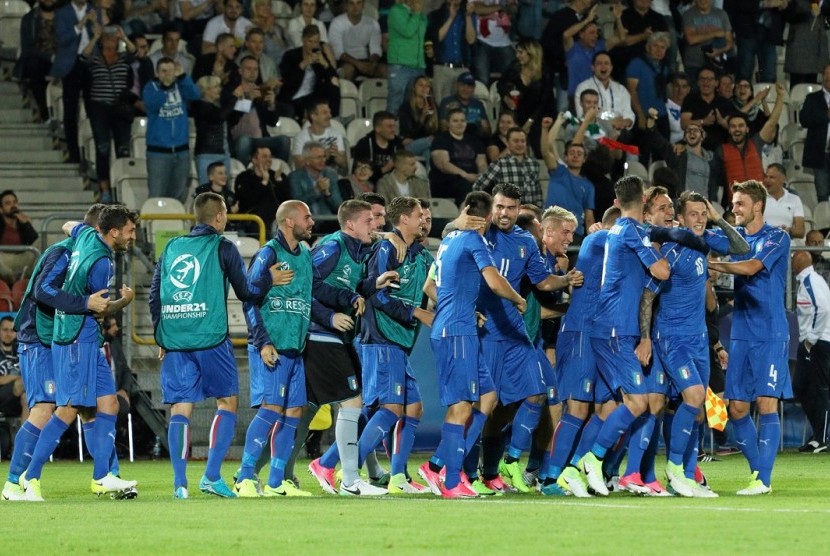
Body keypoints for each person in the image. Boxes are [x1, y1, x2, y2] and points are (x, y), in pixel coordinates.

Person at [150, 192, 288, 499]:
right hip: (210, 337)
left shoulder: (171, 247)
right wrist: (268, 278)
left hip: (176, 339)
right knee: (227, 403)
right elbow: (246, 290)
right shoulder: (222, 247)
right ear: (219, 216)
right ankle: (211, 476)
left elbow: (154, 294)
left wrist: (163, 335)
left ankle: (179, 484)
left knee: (180, 409)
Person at [20, 206, 139, 502]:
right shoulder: (101, 262)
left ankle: (103, 477)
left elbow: (69, 224)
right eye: (130, 231)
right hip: (76, 337)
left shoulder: (87, 235)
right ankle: (30, 477)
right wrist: (122, 303)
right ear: (113, 232)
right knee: (70, 407)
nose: (133, 236)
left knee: (108, 404)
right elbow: (96, 308)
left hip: (87, 338)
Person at [417, 191, 527, 498]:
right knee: (462, 406)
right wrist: (517, 298)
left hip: (456, 325)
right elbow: (494, 281)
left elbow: (430, 286)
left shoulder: (449, 241)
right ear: (487, 217)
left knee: (488, 397)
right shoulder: (474, 240)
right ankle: (452, 481)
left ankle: (437, 464)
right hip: (457, 332)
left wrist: (461, 306)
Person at [1, 204, 110, 502]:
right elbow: (42, 292)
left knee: (85, 405)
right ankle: (13, 483)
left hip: (56, 339)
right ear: (94, 232)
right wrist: (85, 303)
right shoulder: (63, 253)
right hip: (36, 337)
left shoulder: (80, 254)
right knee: (44, 409)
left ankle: (105, 475)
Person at [577, 175, 671, 497]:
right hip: (616, 329)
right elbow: (662, 272)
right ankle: (593, 458)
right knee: (638, 402)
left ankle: (571, 469)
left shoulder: (617, 229)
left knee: (605, 410)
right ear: (644, 200)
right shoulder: (630, 230)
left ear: (617, 201)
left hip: (610, 327)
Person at [306, 200, 399, 496]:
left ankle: (346, 476)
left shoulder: (358, 250)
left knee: (343, 405)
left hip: (339, 336)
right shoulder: (333, 247)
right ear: (350, 225)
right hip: (321, 333)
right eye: (369, 221)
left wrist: (374, 284)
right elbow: (307, 283)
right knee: (352, 402)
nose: (376, 225)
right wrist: (332, 313)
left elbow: (353, 288)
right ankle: (348, 480)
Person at [709, 179, 793, 495]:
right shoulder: (736, 237)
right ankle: (759, 473)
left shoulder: (777, 237)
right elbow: (702, 235)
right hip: (742, 333)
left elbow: (752, 266)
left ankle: (763, 480)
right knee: (737, 409)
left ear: (757, 206)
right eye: (733, 204)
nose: (734, 209)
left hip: (770, 333)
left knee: (766, 403)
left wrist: (715, 264)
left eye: (740, 203)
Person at [234, 200, 318, 497]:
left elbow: (309, 299)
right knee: (271, 409)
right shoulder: (268, 253)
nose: (311, 222)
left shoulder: (305, 258)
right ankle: (244, 477)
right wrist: (263, 341)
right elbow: (249, 298)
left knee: (294, 411)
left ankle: (276, 481)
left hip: (296, 348)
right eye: (306, 217)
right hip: (272, 347)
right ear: (288, 222)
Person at [356, 196, 435, 494]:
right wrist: (417, 312)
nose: (425, 221)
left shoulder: (421, 255)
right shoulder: (388, 247)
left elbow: (435, 288)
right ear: (404, 219)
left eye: (428, 217)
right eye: (420, 216)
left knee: (412, 409)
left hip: (401, 341)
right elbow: (378, 295)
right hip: (382, 336)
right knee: (388, 408)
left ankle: (398, 477)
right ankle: (340, 468)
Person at [81, 25, 137, 204]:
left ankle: (120, 188)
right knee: (102, 148)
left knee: (123, 149)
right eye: (107, 39)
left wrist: (124, 37)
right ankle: (104, 189)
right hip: (100, 108)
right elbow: (84, 55)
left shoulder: (123, 59)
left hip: (119, 108)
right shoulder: (96, 59)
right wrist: (95, 37)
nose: (111, 42)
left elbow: (134, 52)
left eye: (114, 39)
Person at [143, 57, 201, 203]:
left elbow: (195, 95)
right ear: (157, 73)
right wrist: (166, 88)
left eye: (171, 70)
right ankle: (154, 225)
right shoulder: (150, 87)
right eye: (163, 71)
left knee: (178, 195)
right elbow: (153, 104)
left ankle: (173, 225)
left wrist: (182, 76)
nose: (167, 74)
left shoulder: (181, 85)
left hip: (181, 152)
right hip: (158, 153)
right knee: (157, 195)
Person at [715, 87, 786, 208]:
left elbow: (772, 121)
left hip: (760, 205)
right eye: (733, 126)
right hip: (736, 208)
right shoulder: (721, 150)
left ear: (747, 129)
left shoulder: (756, 143)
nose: (737, 129)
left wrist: (780, 97)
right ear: (729, 130)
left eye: (741, 126)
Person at [51, 0, 99, 164]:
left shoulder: (95, 10)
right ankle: (73, 154)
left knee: (94, 109)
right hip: (71, 65)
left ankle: (95, 154)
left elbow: (100, 36)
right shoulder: (62, 13)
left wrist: (96, 27)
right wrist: (82, 23)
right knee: (71, 111)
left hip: (90, 63)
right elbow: (62, 39)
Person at [792, 249, 830, 454]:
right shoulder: (811, 280)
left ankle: (822, 438)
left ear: (799, 262)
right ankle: (818, 435)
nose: (791, 263)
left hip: (818, 342)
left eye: (792, 260)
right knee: (800, 387)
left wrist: (811, 340)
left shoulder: (811, 282)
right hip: (810, 342)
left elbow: (823, 309)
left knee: (820, 389)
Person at [225, 55, 291, 165]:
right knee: (244, 141)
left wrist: (272, 105)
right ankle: (245, 174)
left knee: (284, 140)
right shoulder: (231, 91)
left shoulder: (261, 91)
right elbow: (231, 118)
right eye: (248, 68)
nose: (253, 72)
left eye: (255, 69)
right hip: (238, 139)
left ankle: (278, 174)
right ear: (240, 71)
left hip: (261, 139)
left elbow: (273, 122)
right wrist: (247, 99)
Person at [644, 108, 719, 201]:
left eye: (695, 130)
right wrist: (651, 120)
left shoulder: (711, 159)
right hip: (683, 206)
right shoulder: (677, 153)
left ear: (703, 136)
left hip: (705, 207)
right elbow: (657, 140)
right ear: (684, 138)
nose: (691, 132)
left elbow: (714, 186)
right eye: (688, 131)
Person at [541, 112, 596, 239]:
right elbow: (546, 151)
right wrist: (553, 124)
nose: (575, 155)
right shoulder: (558, 171)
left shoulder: (588, 186)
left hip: (574, 234)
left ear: (584, 159)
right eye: (571, 152)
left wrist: (593, 240)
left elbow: (589, 217)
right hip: (550, 230)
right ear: (565, 157)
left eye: (579, 153)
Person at [277, 25, 340, 119]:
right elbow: (287, 81)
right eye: (310, 41)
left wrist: (325, 64)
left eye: (316, 42)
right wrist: (303, 64)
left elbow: (333, 77)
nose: (313, 45)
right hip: (292, 95)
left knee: (334, 82)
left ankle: (335, 117)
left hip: (312, 97)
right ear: (303, 40)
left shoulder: (319, 56)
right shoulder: (290, 55)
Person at [472, 127, 543, 207]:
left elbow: (538, 192)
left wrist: (539, 210)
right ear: (507, 143)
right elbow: (478, 185)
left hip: (529, 213)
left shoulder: (534, 164)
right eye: (516, 141)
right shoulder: (499, 164)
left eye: (523, 141)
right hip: (507, 213)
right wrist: (488, 207)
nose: (520, 144)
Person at [430, 108, 487, 205]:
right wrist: (465, 175)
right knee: (466, 187)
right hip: (448, 180)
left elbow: (481, 163)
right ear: (448, 123)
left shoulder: (474, 140)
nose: (459, 124)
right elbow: (443, 165)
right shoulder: (441, 139)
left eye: (462, 121)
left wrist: (481, 177)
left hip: (472, 178)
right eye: (455, 121)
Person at [426, 0, 476, 104]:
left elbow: (471, 40)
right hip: (442, 68)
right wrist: (451, 18)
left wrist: (468, 17)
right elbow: (437, 37)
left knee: (462, 107)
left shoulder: (469, 14)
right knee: (442, 106)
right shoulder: (436, 15)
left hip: (462, 68)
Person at [574, 52, 636, 135]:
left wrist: (626, 121)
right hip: (594, 132)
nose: (603, 66)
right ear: (593, 67)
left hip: (621, 133)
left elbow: (628, 114)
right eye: (599, 63)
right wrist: (610, 122)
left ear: (611, 68)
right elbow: (582, 115)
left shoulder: (621, 89)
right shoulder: (583, 87)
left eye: (606, 63)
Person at [17, 0, 58, 123]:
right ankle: (45, 112)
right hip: (39, 59)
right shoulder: (29, 19)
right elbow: (27, 48)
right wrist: (49, 57)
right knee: (34, 65)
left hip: (62, 58)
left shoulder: (65, 17)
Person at [566, 16, 626, 101]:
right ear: (581, 34)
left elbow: (621, 38)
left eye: (597, 33)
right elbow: (566, 35)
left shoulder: (600, 46)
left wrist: (618, 18)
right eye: (592, 33)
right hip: (576, 96)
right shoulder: (572, 48)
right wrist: (587, 19)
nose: (596, 36)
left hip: (597, 97)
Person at [234, 146, 290, 236]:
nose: (269, 160)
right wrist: (264, 183)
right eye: (264, 157)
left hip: (276, 223)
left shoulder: (277, 176)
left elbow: (287, 201)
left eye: (270, 156)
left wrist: (279, 182)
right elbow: (246, 202)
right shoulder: (244, 177)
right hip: (253, 223)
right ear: (254, 160)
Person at [386, 0, 428, 113]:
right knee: (396, 102)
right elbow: (407, 31)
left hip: (418, 65)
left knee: (417, 104)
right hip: (400, 65)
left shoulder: (421, 15)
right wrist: (416, 13)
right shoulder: (396, 11)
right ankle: (392, 129)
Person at [680, 67, 735, 152]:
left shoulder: (724, 102)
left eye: (710, 79)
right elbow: (684, 124)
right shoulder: (690, 99)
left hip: (720, 149)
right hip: (696, 149)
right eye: (702, 79)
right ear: (698, 82)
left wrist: (723, 123)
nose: (706, 82)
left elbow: (733, 128)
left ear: (716, 83)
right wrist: (703, 121)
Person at [192, 75, 232, 186]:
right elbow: (218, 117)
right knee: (206, 192)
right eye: (216, 87)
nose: (219, 89)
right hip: (207, 155)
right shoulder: (200, 106)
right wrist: (234, 98)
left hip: (224, 153)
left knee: (224, 192)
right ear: (206, 90)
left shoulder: (218, 107)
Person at [328, 0, 384, 81]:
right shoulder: (337, 23)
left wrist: (373, 64)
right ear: (346, 5)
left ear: (363, 5)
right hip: (346, 61)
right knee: (348, 70)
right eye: (351, 3)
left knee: (384, 70)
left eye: (358, 3)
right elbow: (338, 53)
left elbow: (376, 50)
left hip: (367, 61)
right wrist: (358, 64)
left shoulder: (372, 23)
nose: (355, 7)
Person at [681, 0, 734, 81]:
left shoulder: (722, 14)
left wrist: (719, 51)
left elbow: (729, 42)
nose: (703, 1)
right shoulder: (688, 14)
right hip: (694, 64)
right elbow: (691, 39)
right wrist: (715, 33)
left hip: (717, 65)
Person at [799, 65, 830, 204]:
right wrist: (826, 115)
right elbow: (804, 119)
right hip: (821, 154)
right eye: (826, 73)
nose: (828, 77)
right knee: (822, 194)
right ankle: (824, 224)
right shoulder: (812, 98)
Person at [291, 100, 347, 174]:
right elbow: (298, 166)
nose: (330, 116)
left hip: (332, 175)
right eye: (325, 113)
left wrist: (336, 155)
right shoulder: (300, 137)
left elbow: (345, 165)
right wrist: (322, 156)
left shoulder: (336, 134)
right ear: (313, 116)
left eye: (329, 112)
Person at [468, 0, 516, 85]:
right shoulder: (502, 4)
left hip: (504, 41)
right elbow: (478, 9)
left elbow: (514, 9)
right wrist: (502, 6)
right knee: (482, 80)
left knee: (511, 78)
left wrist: (490, 8)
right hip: (482, 40)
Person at [289, 142, 343, 216]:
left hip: (328, 222)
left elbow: (339, 207)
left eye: (324, 156)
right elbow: (297, 205)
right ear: (307, 161)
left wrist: (327, 193)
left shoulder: (330, 174)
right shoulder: (295, 176)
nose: (323, 160)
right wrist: (317, 190)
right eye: (318, 157)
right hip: (305, 222)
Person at [785, 0, 830, 86]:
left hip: (815, 45)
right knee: (796, 83)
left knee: (812, 83)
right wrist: (809, 14)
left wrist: (823, 5)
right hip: (798, 44)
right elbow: (789, 16)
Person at [352, 111, 405, 185]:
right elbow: (358, 173)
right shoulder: (364, 144)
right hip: (370, 186)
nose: (393, 130)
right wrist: (385, 169)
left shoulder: (398, 144)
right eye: (389, 127)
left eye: (394, 126)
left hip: (393, 185)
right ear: (378, 129)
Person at [0, 191, 39, 286]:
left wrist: (26, 224)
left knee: (47, 239)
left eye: (14, 202)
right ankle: (11, 278)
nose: (13, 206)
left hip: (22, 258)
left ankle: (30, 277)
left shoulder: (22, 223)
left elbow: (34, 241)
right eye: (8, 203)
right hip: (3, 260)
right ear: (1, 209)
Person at [437, 71, 491, 137]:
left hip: (476, 139)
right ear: (457, 85)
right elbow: (443, 128)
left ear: (474, 88)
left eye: (469, 86)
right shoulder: (446, 102)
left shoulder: (478, 104)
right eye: (462, 85)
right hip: (453, 139)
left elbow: (487, 130)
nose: (465, 89)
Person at [398, 75, 439, 162]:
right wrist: (423, 116)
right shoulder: (406, 108)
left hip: (428, 144)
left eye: (427, 86)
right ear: (414, 88)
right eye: (420, 85)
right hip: (411, 146)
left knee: (428, 152)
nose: (424, 88)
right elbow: (409, 135)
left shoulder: (433, 107)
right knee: (431, 142)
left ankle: (429, 175)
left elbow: (436, 131)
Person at [763, 163, 805, 238]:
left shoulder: (794, 199)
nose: (767, 180)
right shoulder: (758, 198)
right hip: (763, 243)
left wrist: (788, 230)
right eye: (766, 177)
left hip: (786, 244)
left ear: (783, 179)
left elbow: (800, 231)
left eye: (772, 177)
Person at [666, 72, 691, 144]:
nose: (680, 90)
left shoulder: (692, 108)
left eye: (684, 86)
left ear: (688, 90)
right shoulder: (664, 107)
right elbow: (676, 126)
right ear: (671, 87)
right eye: (677, 86)